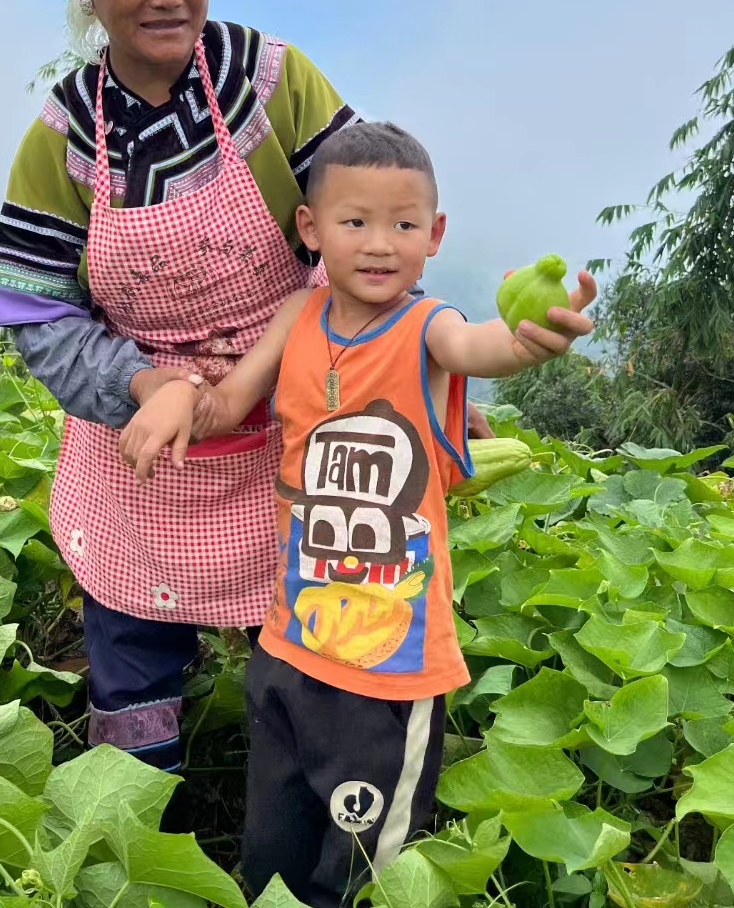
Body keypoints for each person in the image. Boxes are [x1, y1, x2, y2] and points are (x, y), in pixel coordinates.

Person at [118, 121, 596, 907]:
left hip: (391, 668)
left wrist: (530, 342)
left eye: (404, 225)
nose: (381, 244)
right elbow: (229, 402)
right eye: (355, 222)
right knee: (271, 852)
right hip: (289, 643)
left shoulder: (427, 326)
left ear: (435, 234)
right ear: (311, 230)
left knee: (361, 874)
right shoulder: (296, 320)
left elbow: (482, 347)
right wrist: (166, 393)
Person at [0, 0, 360, 770]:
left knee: (312, 665)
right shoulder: (63, 137)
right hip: (145, 450)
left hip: (294, 419)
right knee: (132, 659)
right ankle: (134, 828)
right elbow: (38, 311)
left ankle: (297, 836)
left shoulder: (273, 86)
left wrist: (249, 384)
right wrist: (152, 386)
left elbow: (366, 240)